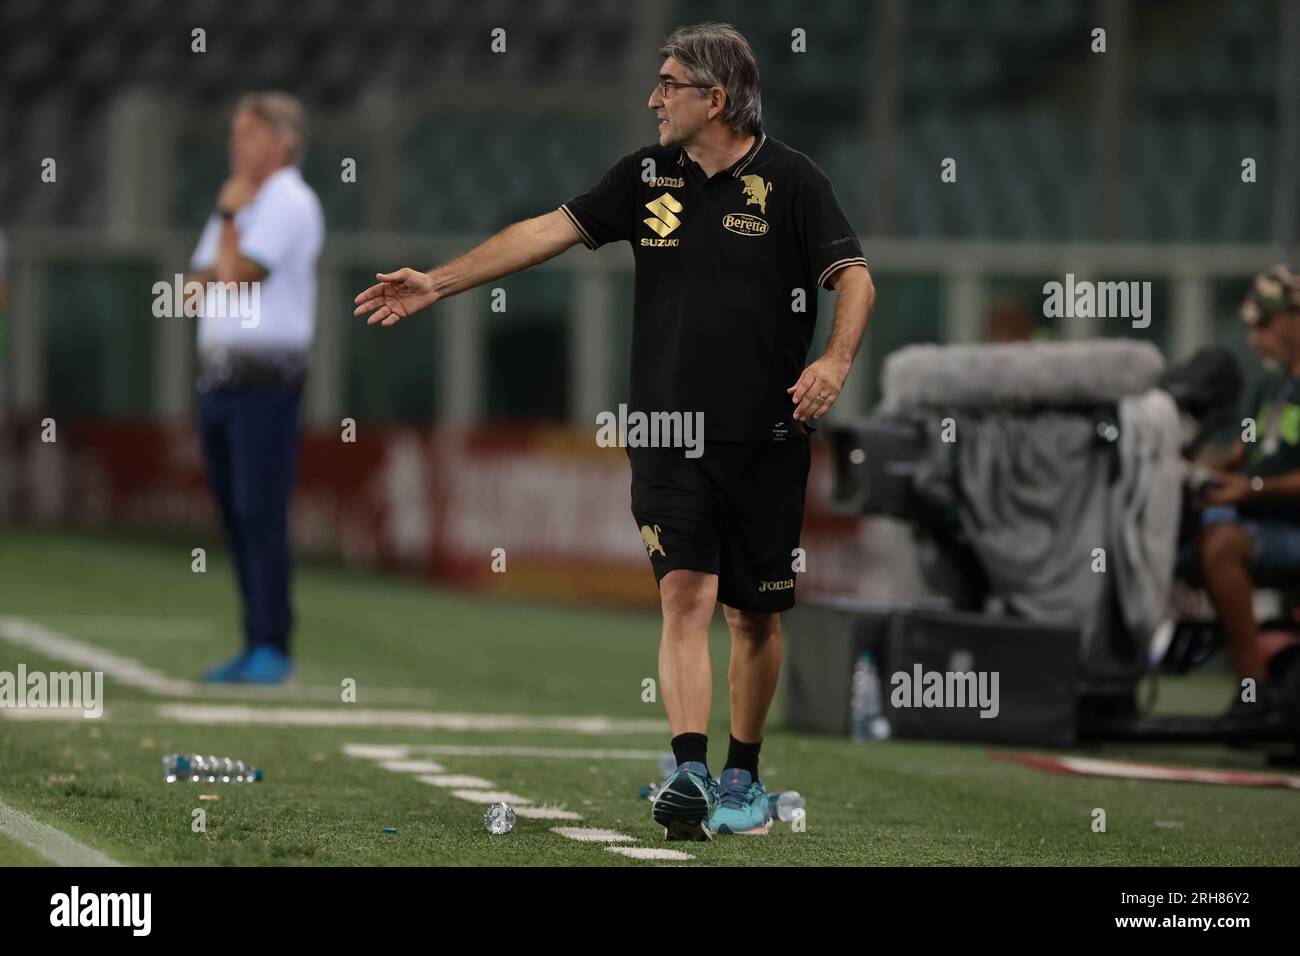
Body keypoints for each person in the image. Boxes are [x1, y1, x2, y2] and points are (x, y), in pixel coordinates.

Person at [354, 23, 875, 839]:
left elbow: (855, 279)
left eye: (668, 84)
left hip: (767, 438)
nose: (652, 98)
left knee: (754, 617)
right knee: (684, 596)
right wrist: (440, 282)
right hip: (666, 432)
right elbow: (547, 231)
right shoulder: (645, 175)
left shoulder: (794, 182)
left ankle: (745, 774)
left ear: (716, 97)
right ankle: (693, 772)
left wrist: (836, 364)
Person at [187, 92, 324, 684]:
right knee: (235, 514)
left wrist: (225, 224)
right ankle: (255, 640)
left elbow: (239, 277)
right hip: (221, 380)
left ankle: (274, 644)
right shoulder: (243, 202)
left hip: (264, 381)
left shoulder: (286, 201)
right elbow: (197, 284)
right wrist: (224, 249)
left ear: (282, 143)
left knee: (259, 511)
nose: (233, 143)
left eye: (247, 133)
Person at [1197, 264, 1300, 728]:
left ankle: (1252, 683)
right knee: (1196, 531)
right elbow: (1244, 452)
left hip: (1288, 525)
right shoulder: (1268, 387)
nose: (1255, 340)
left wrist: (1254, 489)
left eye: (1266, 324)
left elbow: (1256, 477)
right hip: (1264, 519)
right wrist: (1190, 469)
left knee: (1223, 545)